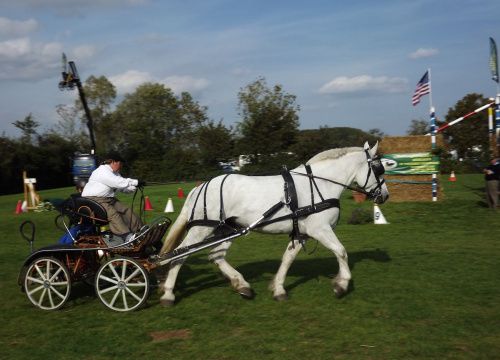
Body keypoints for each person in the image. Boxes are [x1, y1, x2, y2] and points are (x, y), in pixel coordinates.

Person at [81, 151, 144, 240]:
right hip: (93, 200)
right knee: (113, 214)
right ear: (113, 161)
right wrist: (136, 182)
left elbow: (122, 187)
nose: (121, 165)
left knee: (126, 210)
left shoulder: (114, 173)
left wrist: (134, 187)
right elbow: (117, 183)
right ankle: (127, 236)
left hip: (108, 199)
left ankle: (140, 230)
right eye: (120, 163)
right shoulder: (102, 171)